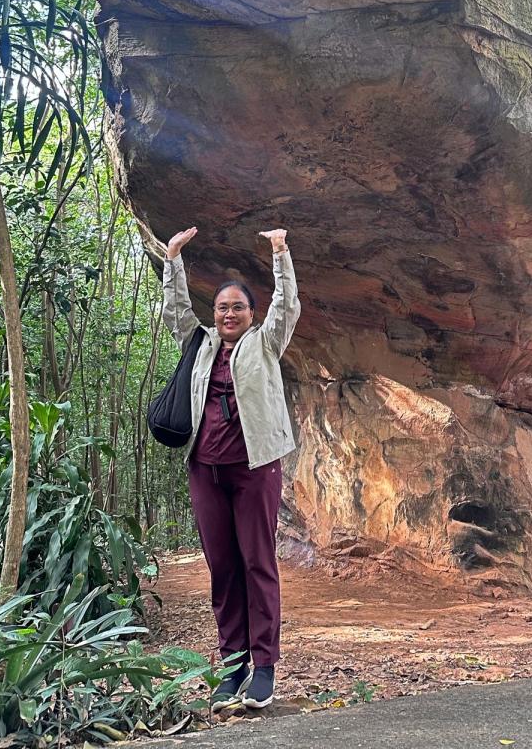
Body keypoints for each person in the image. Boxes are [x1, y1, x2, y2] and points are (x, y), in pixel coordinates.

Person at [162, 225, 301, 712]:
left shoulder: (265, 344)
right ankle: (232, 664)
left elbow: (287, 308)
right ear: (214, 313)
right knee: (222, 569)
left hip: (254, 469)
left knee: (257, 564)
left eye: (237, 307)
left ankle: (264, 667)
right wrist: (173, 260)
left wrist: (280, 253)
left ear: (250, 314)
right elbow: (176, 312)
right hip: (205, 470)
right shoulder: (198, 345)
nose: (228, 314)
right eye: (222, 307)